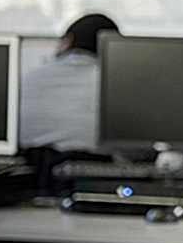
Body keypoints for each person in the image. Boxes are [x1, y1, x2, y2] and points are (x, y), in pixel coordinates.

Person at [19, 13, 120, 152]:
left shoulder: (26, 79)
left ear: (67, 41)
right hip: (98, 169)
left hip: (30, 169)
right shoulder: (119, 89)